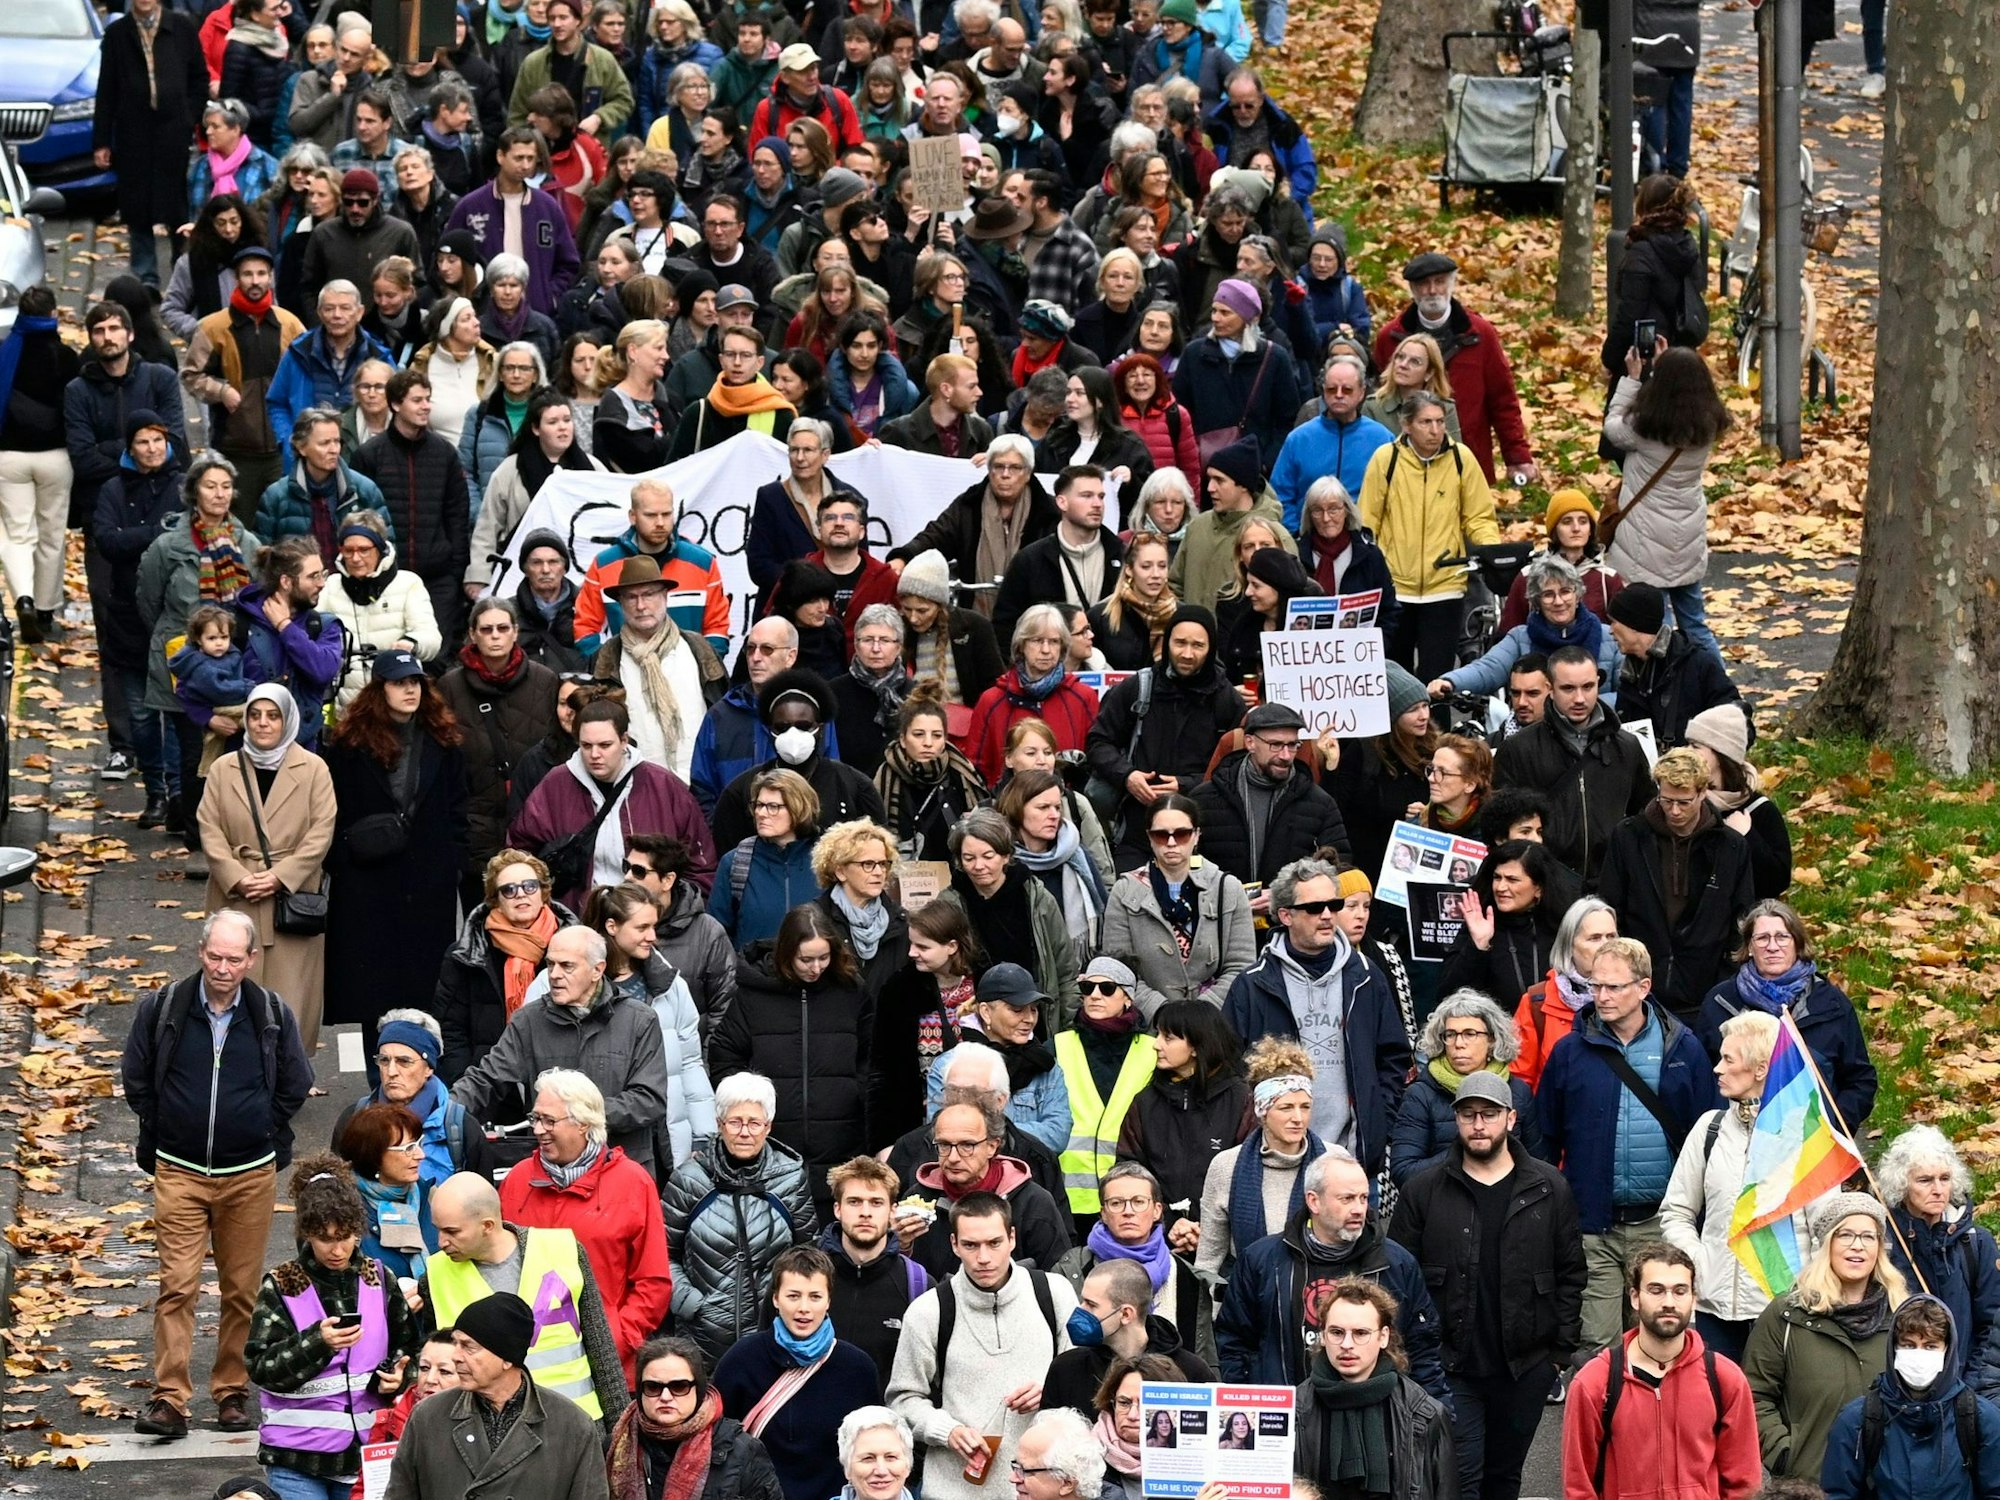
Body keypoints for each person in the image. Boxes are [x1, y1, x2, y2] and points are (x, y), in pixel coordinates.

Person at [121, 911, 314, 1440]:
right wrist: (162, 1131)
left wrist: (263, 1130)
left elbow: (295, 1083)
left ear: (252, 959)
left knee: (241, 1291)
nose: (223, 968)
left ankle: (231, 1391)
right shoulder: (163, 1008)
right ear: (201, 951)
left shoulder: (271, 1013)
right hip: (179, 1170)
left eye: (234, 958)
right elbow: (136, 1078)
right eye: (214, 956)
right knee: (177, 1286)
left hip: (249, 1175)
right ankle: (170, 1400)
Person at [1389, 1071, 1583, 1500]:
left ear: (1511, 1119)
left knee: (1505, 1478)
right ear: (1456, 1120)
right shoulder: (1424, 1189)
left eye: (1489, 1114)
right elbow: (1397, 1278)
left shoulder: (1549, 1187)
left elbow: (1571, 1272)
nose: (1479, 1124)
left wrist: (1558, 1354)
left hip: (1527, 1367)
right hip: (1450, 1367)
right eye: (1468, 1115)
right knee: (1460, 1479)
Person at [1539, 937, 1721, 1357]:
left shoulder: (1683, 1048)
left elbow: (1708, 1133)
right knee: (1598, 1346)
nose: (1601, 997)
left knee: (1659, 1341)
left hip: (1661, 1222)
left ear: (1643, 987)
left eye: (1614, 987)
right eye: (1595, 986)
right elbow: (1544, 1135)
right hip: (1592, 1224)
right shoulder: (1570, 1052)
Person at [322, 651, 469, 1069]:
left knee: (426, 993)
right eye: (399, 682)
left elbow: (459, 808)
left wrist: (451, 862)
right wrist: (345, 857)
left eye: (416, 682)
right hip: (368, 886)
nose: (410, 690)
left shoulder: (444, 741)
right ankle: (377, 1087)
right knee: (374, 997)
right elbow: (331, 811)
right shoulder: (350, 746)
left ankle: (421, 1084)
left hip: (428, 884)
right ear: (379, 688)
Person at [1223, 856, 1411, 1179]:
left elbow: (1394, 1057)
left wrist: (1378, 1121)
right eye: (1313, 908)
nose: (1326, 915)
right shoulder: (1252, 985)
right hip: (1274, 1164)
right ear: (1285, 915)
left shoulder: (1367, 977)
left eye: (1333, 904)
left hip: (1353, 1161)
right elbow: (1229, 1070)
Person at [245, 1155, 422, 1496]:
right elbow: (260, 1367)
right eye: (325, 1238)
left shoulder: (379, 1278)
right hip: (296, 1458)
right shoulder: (281, 1284)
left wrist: (402, 1375)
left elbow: (412, 1350)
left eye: (345, 1237)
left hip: (366, 1455)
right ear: (307, 1233)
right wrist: (317, 1342)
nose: (337, 1250)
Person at [885, 1193, 1080, 1500]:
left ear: (1012, 1238)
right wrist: (946, 1430)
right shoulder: (929, 1311)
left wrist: (1049, 1390)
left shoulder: (1055, 1294)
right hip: (953, 1490)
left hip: (1043, 1491)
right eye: (971, 1245)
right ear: (954, 1244)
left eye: (994, 1243)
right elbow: (902, 1398)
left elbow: (1081, 1381)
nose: (984, 1257)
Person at [451, 918, 675, 1177]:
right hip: (552, 1172)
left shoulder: (639, 1020)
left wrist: (577, 1116)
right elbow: (487, 1079)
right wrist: (445, 1114)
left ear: (597, 970)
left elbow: (649, 1100)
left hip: (621, 1171)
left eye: (567, 966)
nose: (554, 975)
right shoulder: (529, 1020)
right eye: (550, 964)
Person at [1215, 1145, 1447, 1393]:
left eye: (1363, 1198)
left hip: (1374, 1417)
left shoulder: (1397, 1263)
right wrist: (1250, 1404)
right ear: (1314, 1201)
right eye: (1347, 1198)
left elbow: (1423, 1352)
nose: (1359, 1209)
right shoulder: (1262, 1260)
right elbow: (1234, 1344)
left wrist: (1433, 1420)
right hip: (1287, 1417)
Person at [420, 1172, 630, 1423]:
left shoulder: (563, 1250)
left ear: (487, 1225)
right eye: (438, 1230)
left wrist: (621, 1436)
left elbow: (602, 1350)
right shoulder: (434, 1276)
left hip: (576, 1427)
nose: (442, 1242)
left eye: (452, 1231)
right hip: (488, 1436)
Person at [499, 1069, 673, 1372]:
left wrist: (614, 1340)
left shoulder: (633, 1183)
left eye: (549, 1120)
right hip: (525, 1365)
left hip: (607, 1365)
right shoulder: (517, 1180)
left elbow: (653, 1282)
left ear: (584, 1124)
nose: (538, 1129)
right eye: (536, 1118)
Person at [196, 682, 337, 1055]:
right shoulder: (224, 768)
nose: (262, 724)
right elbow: (208, 828)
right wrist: (237, 877)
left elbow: (322, 832)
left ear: (287, 720)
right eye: (255, 715)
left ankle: (285, 1076)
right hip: (236, 896)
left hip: (290, 900)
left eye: (272, 716)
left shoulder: (313, 769)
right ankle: (227, 1069)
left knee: (290, 996)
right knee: (228, 987)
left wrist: (280, 877)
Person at [1561, 1243, 1761, 1500]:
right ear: (1635, 1297)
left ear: (1693, 1298)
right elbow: (1579, 1486)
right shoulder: (1594, 1383)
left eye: (1680, 1291)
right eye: (1656, 1290)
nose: (1669, 1302)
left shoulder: (1725, 1379)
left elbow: (1744, 1482)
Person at [1658, 1011, 1800, 1364]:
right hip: (1713, 1309)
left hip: (1783, 1312)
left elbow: (1826, 1230)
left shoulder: (1804, 1138)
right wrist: (1699, 1262)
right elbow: (1676, 1211)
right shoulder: (1710, 1127)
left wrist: (1801, 1290)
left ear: (1761, 1069)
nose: (1716, 1069)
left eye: (1727, 1059)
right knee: (1713, 1412)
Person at [713, 902, 876, 1208]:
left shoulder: (851, 992)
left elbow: (872, 1055)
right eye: (806, 960)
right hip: (772, 1150)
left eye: (823, 958)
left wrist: (857, 1093)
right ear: (787, 954)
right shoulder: (753, 995)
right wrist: (748, 1107)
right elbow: (725, 1054)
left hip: (841, 1144)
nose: (816, 968)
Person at [1745, 1192, 1916, 1481]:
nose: (1857, 1246)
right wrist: (1786, 1454)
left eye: (1868, 1236)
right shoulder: (1787, 1315)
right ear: (1826, 1244)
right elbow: (1753, 1396)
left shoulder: (1902, 1314)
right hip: (1811, 1483)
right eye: (1845, 1234)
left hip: (1889, 1483)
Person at [383, 1293, 611, 1500]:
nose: (456, 1357)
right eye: (456, 1344)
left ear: (506, 1358)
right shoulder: (428, 1417)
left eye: (468, 1347)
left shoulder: (572, 1426)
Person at [663, 1072, 819, 1363]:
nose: (744, 1132)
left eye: (754, 1123)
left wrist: (786, 1303)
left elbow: (808, 1251)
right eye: (735, 1122)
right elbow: (661, 1253)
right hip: (700, 1337)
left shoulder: (790, 1178)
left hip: (774, 1333)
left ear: (768, 1126)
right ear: (720, 1124)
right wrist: (690, 1302)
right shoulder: (689, 1180)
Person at [709, 1245, 882, 1500]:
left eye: (815, 1296)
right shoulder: (741, 1360)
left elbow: (872, 1446)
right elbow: (716, 1443)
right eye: (793, 1296)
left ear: (829, 1301)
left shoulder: (857, 1368)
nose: (804, 1308)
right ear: (776, 1299)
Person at [1597, 748, 1756, 1025]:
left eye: (1684, 802)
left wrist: (1725, 977)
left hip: (1707, 989)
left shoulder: (1730, 847)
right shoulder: (1628, 837)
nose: (1674, 811)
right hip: (1638, 989)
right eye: (1666, 800)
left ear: (1703, 793)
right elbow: (1611, 907)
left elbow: (1741, 920)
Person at [1355, 389, 1500, 680]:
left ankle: (1439, 726)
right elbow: (1368, 522)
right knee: (1395, 675)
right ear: (1406, 425)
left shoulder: (1461, 459)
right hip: (1397, 586)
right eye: (1425, 422)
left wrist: (1492, 552)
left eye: (1439, 422)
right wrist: (1374, 569)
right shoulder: (1386, 459)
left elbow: (1479, 516)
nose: (1435, 430)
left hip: (1445, 586)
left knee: (1439, 677)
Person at [1600, 344, 1732, 662]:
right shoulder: (1708, 425)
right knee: (1696, 623)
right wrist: (1664, 367)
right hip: (1687, 532)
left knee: (1660, 626)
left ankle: (1671, 684)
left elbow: (1612, 427)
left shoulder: (1644, 428)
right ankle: (1718, 687)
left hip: (1646, 538)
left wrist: (1634, 379)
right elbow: (1680, 395)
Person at [1696, 900, 1876, 1133]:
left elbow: (1860, 1080)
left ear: (1797, 944)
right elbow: (1700, 1079)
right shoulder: (1720, 1002)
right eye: (1762, 938)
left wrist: (1832, 1128)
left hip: (1813, 1144)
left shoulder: (1832, 1005)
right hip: (1737, 1141)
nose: (1772, 946)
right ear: (1749, 947)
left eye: (1782, 937)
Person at [1085, 607, 1246, 865]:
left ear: (1211, 648)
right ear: (1167, 641)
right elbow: (1098, 742)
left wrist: (1187, 785)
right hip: (1137, 828)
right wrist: (1127, 776)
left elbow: (1236, 766)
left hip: (1200, 831)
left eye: (1198, 645)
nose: (1187, 654)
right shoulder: (1136, 689)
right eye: (1180, 643)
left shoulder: (1226, 701)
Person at [1494, 645, 1654, 886]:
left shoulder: (1627, 746)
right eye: (1568, 688)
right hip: (1544, 887)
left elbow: (1646, 813)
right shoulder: (1518, 749)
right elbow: (1500, 826)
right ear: (1550, 688)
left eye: (1588, 687)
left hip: (1611, 885)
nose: (1579, 698)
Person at [1372, 253, 1535, 488]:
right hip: (1403, 465)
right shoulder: (1390, 338)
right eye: (1423, 284)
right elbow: (1380, 398)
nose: (1432, 290)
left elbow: (1503, 399)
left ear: (1452, 284)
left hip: (1467, 458)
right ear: (1412, 290)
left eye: (1439, 282)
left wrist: (1517, 456)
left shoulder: (1479, 334)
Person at [438, 597, 561, 898]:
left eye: (503, 628)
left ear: (515, 632)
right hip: (473, 821)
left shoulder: (545, 681)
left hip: (533, 820)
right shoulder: (449, 687)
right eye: (487, 629)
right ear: (472, 634)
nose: (495, 636)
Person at [1822, 1293, 2000, 1500]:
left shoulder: (1980, 1418)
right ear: (1893, 1349)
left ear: (1948, 1350)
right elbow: (1838, 1493)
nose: (1919, 1354)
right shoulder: (1857, 1420)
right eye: (1908, 1345)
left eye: (1931, 1346)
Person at [1097, 793, 1255, 1018]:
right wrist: (1162, 1012)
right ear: (1149, 838)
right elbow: (1118, 968)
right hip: (1150, 1027)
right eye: (1161, 835)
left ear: (1196, 835)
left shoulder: (1227, 888)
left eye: (1181, 834)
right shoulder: (1125, 891)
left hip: (1213, 1026)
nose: (1171, 843)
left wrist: (1200, 1013)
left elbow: (1241, 965)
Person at [1115, 1001, 1249, 1251]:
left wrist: (1206, 1229)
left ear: (1198, 1046)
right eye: (1158, 1035)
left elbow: (1249, 1178)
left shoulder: (1241, 1100)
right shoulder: (1145, 1103)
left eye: (1169, 1037)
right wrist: (1169, 1222)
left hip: (1227, 1248)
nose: (1156, 1044)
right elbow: (1129, 1172)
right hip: (1155, 1244)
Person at [434, 848, 577, 1083]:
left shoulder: (574, 945)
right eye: (509, 890)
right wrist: (466, 1082)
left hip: (560, 1081)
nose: (521, 894)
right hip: (487, 1081)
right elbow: (450, 1028)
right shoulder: (466, 953)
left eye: (530, 886)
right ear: (495, 900)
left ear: (543, 893)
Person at [94, 0, 211, 287]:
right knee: (136, 203)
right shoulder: (118, 34)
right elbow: (106, 88)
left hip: (174, 131)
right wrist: (101, 140)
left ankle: (181, 270)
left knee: (177, 202)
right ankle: (146, 277)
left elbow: (199, 77)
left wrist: (189, 116)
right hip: (133, 132)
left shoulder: (181, 27)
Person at [1388, 992, 1544, 1191]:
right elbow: (1404, 1173)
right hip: (1442, 1207)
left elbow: (1538, 1168)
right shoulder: (1420, 1095)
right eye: (1450, 1035)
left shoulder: (1517, 1093)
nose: (1458, 1044)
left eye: (1470, 1034)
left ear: (1492, 1040)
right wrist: (1470, 1149)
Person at [1194, 1038, 1317, 1283]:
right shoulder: (1226, 1166)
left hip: (1319, 1300)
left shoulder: (1333, 1162)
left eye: (1305, 1107)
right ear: (1262, 1111)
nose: (1298, 1118)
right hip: (1245, 1299)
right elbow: (1209, 1260)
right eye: (1285, 1108)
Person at [1436, 555, 1622, 713]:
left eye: (1565, 592)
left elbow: (1626, 693)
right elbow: (1487, 669)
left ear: (1578, 595)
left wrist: (1580, 706)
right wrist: (1450, 681)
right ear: (1536, 600)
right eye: (1548, 594)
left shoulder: (1609, 637)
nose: (1558, 601)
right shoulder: (1520, 637)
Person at [610, 1336, 787, 1500]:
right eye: (653, 1387)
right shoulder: (616, 1445)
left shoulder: (742, 1451)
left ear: (699, 1390)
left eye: (679, 1386)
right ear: (640, 1392)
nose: (665, 1396)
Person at [1050, 959, 1158, 1225]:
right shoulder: (1057, 1045)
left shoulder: (1153, 1050)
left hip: (1129, 1199)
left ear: (1128, 998)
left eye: (1107, 988)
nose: (1095, 995)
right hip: (1067, 1198)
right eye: (1087, 988)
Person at [331, 1010, 496, 1183]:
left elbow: (480, 1203)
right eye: (384, 1060)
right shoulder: (353, 1119)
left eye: (404, 1061)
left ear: (429, 1068)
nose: (391, 1072)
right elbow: (336, 1193)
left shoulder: (461, 1128)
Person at [574, 477, 731, 659]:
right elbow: (585, 626)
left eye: (666, 514)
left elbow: (717, 628)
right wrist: (608, 669)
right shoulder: (604, 564)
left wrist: (699, 669)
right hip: (624, 677)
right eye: (650, 515)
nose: (660, 523)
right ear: (633, 516)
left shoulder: (703, 562)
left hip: (688, 677)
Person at [1045, 1255, 1215, 1420]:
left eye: (1091, 1304)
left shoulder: (1191, 1371)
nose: (1080, 1311)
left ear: (1126, 1314)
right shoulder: (1066, 1369)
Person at [444, 129, 583, 318]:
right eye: (518, 158)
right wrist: (469, 296)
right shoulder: (470, 206)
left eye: (530, 158)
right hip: (482, 314)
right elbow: (447, 258)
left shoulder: (547, 207)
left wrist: (550, 296)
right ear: (501, 156)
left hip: (535, 312)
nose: (525, 165)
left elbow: (569, 262)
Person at [821, 1158, 934, 1391]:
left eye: (876, 1203)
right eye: (854, 1202)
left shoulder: (919, 1285)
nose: (865, 1213)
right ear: (837, 1209)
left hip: (890, 1422)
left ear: (893, 1211)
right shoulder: (802, 1275)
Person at [318, 510, 442, 714]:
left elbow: (432, 638)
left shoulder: (408, 583)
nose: (355, 558)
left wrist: (411, 643)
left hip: (395, 708)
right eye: (348, 550)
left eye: (364, 550)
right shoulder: (330, 587)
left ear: (381, 549)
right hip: (347, 710)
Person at [1172, 279, 1301, 465]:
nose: (1216, 318)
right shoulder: (1194, 354)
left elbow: (1286, 420)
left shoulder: (1274, 358)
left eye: (1225, 312)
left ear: (1248, 318)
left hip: (1254, 467)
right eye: (1214, 310)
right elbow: (1180, 413)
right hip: (1202, 465)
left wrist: (1265, 463)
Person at [1165, 438, 1294, 619]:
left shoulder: (1275, 535)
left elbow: (1288, 595)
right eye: (1210, 479)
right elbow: (1174, 586)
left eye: (1219, 480)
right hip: (1194, 642)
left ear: (1243, 485)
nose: (1210, 488)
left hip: (1244, 643)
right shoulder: (1197, 527)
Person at [1608, 583, 1745, 750]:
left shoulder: (1697, 662)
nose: (1610, 630)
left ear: (1633, 625)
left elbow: (1736, 716)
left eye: (1614, 622)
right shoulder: (1630, 670)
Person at [1272, 355, 1392, 533]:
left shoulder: (1382, 439)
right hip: (1307, 541)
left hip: (1365, 544)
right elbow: (1279, 494)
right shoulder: (1299, 438)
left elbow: (1394, 496)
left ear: (1362, 392)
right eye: (1331, 389)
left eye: (1347, 390)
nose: (1339, 395)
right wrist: (1296, 532)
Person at [1510, 894, 1615, 1090]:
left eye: (1611, 937)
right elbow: (1520, 1082)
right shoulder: (1537, 1002)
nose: (1606, 946)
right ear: (1570, 945)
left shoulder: (1635, 999)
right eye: (1594, 938)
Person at [1498, 490, 1625, 635]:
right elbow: (1508, 634)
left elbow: (1622, 637)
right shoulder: (1528, 576)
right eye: (1567, 521)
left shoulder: (1608, 579)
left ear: (1590, 530)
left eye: (1583, 521)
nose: (1576, 528)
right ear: (1554, 530)